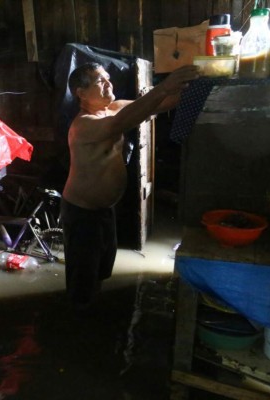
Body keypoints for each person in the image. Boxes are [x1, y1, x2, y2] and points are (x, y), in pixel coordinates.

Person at [61, 62, 199, 310]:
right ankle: (78, 326)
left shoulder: (113, 109)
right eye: (99, 81)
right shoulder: (82, 125)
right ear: (81, 93)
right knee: (82, 277)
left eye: (108, 79)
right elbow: (120, 124)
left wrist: (192, 85)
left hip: (104, 210)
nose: (108, 84)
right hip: (82, 213)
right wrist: (163, 86)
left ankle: (93, 312)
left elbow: (160, 104)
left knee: (102, 267)